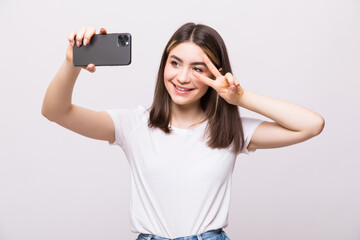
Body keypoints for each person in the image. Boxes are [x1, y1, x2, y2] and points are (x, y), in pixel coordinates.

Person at [42, 22, 325, 240]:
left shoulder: (229, 131)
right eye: (175, 62)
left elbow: (311, 125)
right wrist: (72, 63)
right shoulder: (133, 125)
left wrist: (239, 98)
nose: (182, 77)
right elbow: (56, 111)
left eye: (198, 69)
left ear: (216, 75)